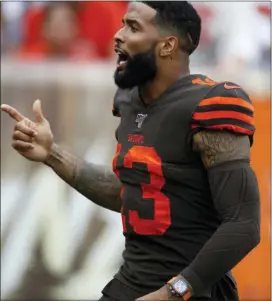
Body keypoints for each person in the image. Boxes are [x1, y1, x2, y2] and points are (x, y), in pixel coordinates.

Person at [1, 2, 260, 301]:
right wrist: (52, 154)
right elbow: (129, 193)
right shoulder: (129, 101)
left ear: (167, 45)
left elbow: (244, 223)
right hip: (132, 281)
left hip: (193, 289)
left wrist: (172, 293)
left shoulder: (212, 102)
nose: (117, 35)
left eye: (133, 27)